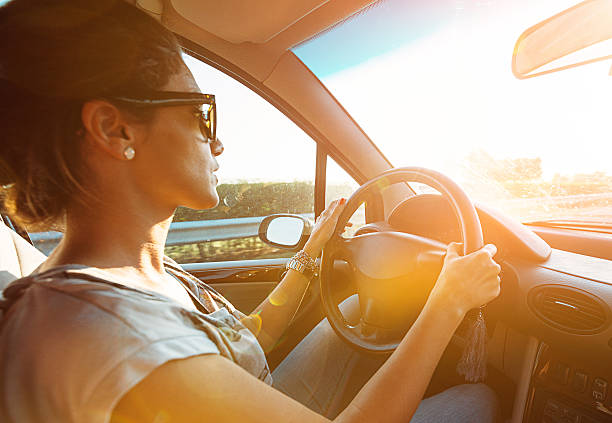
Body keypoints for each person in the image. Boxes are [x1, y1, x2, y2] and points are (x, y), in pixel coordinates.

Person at [0, 0, 502, 422]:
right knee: (479, 398)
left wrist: (310, 256)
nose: (217, 143)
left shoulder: (133, 276)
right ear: (116, 130)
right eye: (200, 113)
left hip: (257, 388)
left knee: (354, 311)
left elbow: (244, 341)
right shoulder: (110, 334)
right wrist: (448, 301)